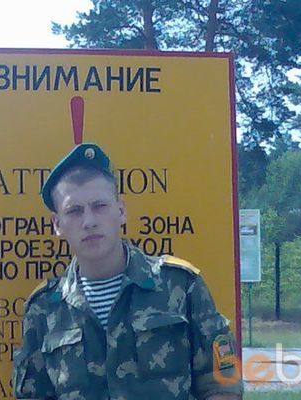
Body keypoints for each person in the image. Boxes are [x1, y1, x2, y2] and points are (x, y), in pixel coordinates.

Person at [13, 143, 243, 399]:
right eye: (74, 211)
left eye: (100, 206)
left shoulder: (179, 285)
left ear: (121, 211)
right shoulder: (44, 309)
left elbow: (222, 383)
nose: (89, 221)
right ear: (57, 224)